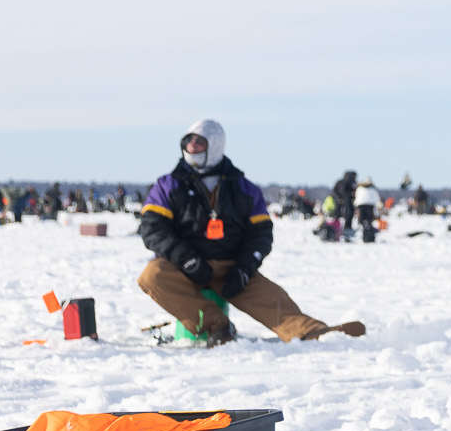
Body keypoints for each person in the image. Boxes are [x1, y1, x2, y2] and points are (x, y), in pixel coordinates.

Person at [138, 119, 364, 343]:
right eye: (188, 141)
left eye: (199, 142)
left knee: (273, 299)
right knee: (152, 276)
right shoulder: (168, 185)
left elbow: (261, 234)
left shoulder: (244, 188)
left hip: (231, 267)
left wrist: (244, 269)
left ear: (215, 145)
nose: (191, 147)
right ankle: (217, 327)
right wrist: (185, 258)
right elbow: (152, 228)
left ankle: (313, 332)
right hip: (183, 267)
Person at [353, 177, 379, 243]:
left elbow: (356, 197)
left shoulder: (359, 188)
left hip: (361, 205)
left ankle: (365, 236)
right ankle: (370, 237)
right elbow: (377, 198)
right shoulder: (372, 189)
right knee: (369, 221)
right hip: (370, 205)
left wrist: (356, 206)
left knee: (363, 222)